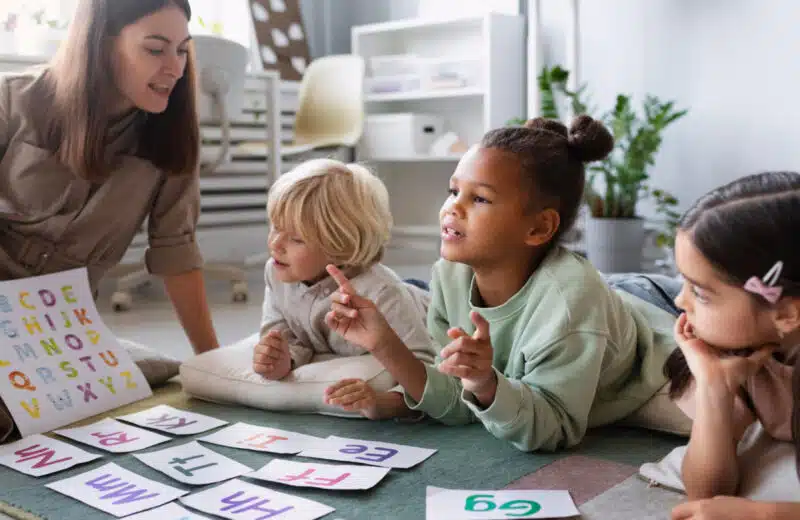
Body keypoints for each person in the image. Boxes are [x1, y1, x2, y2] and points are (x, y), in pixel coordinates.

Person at [324, 116, 679, 451]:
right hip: (602, 292)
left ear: (538, 228)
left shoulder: (571, 306)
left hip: (657, 304)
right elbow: (456, 401)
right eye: (453, 191)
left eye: (479, 198)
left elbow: (553, 428)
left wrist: (486, 384)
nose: (452, 208)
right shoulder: (449, 274)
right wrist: (384, 342)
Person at [0, 0, 219, 354]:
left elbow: (176, 250)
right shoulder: (12, 100)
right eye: (155, 49)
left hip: (64, 327)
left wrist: (212, 360)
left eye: (181, 51)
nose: (175, 69)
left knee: (159, 376)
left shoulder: (173, 137)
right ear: (100, 44)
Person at [251, 158, 435, 420]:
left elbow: (426, 374)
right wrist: (282, 358)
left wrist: (383, 403)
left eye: (296, 239)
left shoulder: (382, 294)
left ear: (340, 248)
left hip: (426, 304)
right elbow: (282, 331)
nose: (275, 244)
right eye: (275, 227)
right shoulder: (277, 271)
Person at [661, 172, 799, 520]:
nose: (681, 301)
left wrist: (762, 515)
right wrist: (714, 387)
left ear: (786, 312)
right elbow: (706, 491)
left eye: (701, 293)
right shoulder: (750, 352)